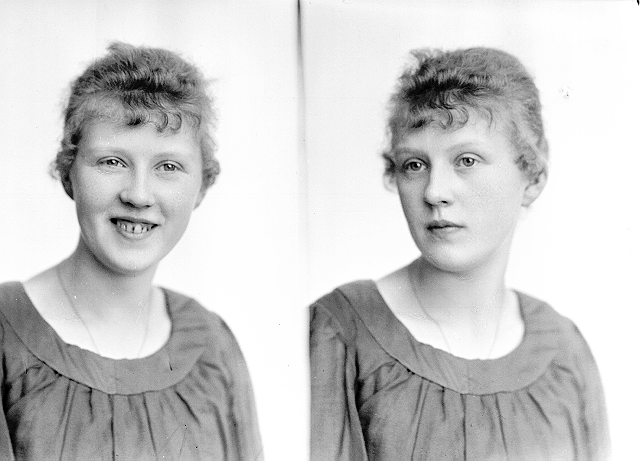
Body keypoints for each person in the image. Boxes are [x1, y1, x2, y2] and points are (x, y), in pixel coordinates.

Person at [309, 47, 609, 460]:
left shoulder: (563, 353)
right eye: (415, 164)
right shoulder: (340, 334)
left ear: (533, 177)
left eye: (466, 160)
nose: (434, 192)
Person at [0, 43, 262, 460]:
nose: (139, 195)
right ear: (68, 172)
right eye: (112, 161)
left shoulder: (212, 345)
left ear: (202, 186)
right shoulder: (6, 333)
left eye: (168, 167)